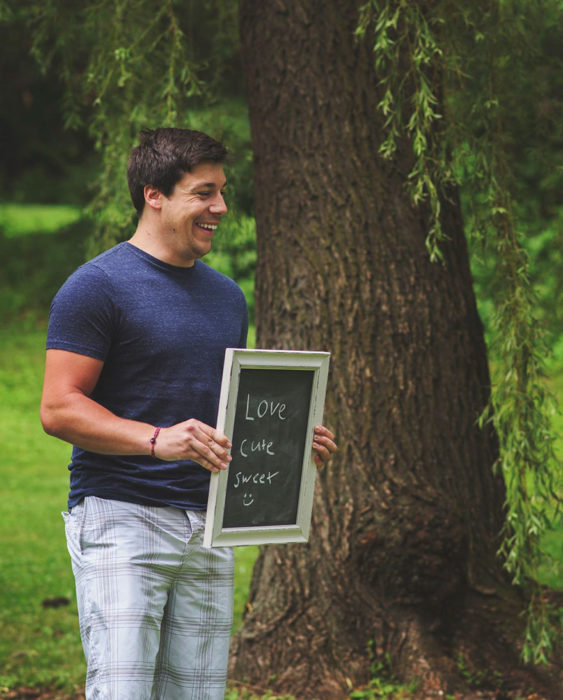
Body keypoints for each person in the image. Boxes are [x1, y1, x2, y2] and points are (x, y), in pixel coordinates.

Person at [40, 127, 337, 700]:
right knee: (123, 690)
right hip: (122, 518)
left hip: (208, 526)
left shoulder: (227, 296)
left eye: (222, 192)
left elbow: (218, 412)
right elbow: (59, 407)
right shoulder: (96, 287)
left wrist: (290, 445)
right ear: (155, 194)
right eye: (204, 193)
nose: (220, 208)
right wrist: (156, 440)